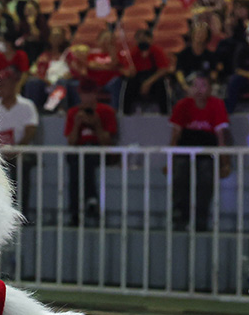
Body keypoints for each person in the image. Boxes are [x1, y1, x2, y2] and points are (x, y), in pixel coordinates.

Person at [170, 74, 231, 231]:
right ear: (190, 89)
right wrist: (169, 161)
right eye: (195, 85)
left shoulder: (217, 104)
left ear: (210, 89)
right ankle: (179, 215)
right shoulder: (182, 105)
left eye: (203, 85)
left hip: (207, 151)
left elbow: (221, 138)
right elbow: (175, 136)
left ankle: (200, 218)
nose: (199, 90)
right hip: (185, 150)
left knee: (206, 175)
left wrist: (225, 163)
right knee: (180, 172)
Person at [0, 66, 39, 219]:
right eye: (0, 84)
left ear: (14, 84)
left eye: (6, 83)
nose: (2, 87)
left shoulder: (27, 106)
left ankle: (21, 211)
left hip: (21, 152)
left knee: (21, 166)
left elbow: (31, 130)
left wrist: (16, 148)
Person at [64, 79, 117, 226]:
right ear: (80, 94)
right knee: (76, 162)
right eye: (84, 94)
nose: (87, 98)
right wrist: (77, 124)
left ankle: (84, 205)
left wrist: (97, 124)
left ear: (95, 94)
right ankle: (87, 202)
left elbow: (108, 142)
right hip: (79, 151)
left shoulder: (106, 111)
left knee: (87, 158)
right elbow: (71, 142)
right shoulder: (73, 113)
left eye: (90, 94)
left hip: (99, 151)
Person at [122, 29, 170, 115]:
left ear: (150, 39)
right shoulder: (133, 52)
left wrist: (148, 83)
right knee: (129, 85)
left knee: (161, 85)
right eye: (139, 39)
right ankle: (126, 114)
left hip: (154, 78)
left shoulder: (157, 50)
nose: (142, 41)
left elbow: (163, 70)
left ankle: (165, 114)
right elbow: (126, 70)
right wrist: (129, 72)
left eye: (145, 38)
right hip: (138, 77)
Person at [175, 22, 216, 96]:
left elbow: (213, 73)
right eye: (197, 32)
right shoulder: (183, 54)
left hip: (204, 83)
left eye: (202, 33)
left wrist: (208, 83)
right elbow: (179, 72)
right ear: (192, 34)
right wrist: (184, 86)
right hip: (188, 82)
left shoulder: (210, 55)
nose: (199, 35)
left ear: (207, 36)